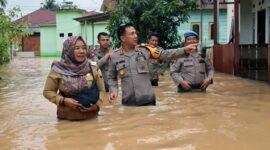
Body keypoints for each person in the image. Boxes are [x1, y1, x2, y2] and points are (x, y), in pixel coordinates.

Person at [108, 23, 197, 106]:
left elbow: (165, 54)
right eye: (132, 34)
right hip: (128, 102)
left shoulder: (146, 50)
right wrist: (113, 90)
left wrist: (184, 50)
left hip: (148, 101)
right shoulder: (114, 56)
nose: (136, 36)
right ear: (123, 38)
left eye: (135, 33)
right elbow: (111, 77)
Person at [43, 36, 106, 120]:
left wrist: (97, 106)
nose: (81, 51)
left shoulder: (93, 67)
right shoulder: (58, 70)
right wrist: (63, 101)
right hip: (67, 121)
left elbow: (102, 90)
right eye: (77, 48)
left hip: (91, 120)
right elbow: (47, 91)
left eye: (84, 48)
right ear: (68, 50)